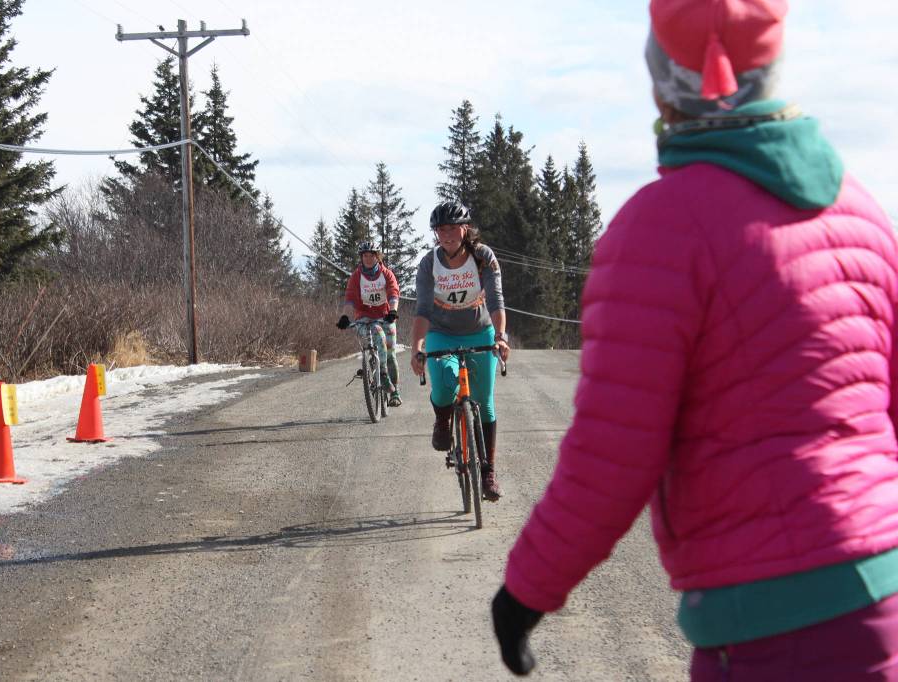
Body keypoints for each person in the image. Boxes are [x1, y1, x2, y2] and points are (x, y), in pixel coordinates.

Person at [492, 1, 898, 679]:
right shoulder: (860, 210)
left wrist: (525, 593)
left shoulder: (659, 229)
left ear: (662, 77)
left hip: (771, 627)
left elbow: (612, 456)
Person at [410, 201, 510, 501]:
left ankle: (488, 472)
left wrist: (501, 337)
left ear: (465, 229)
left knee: (486, 403)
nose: (447, 235)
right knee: (442, 388)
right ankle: (443, 420)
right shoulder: (429, 263)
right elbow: (423, 309)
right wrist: (417, 347)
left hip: (480, 330)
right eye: (441, 229)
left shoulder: (483, 257)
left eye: (453, 228)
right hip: (441, 333)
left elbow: (496, 301)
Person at [336, 241, 403, 407]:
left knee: (390, 355)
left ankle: (394, 391)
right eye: (364, 255)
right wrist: (345, 316)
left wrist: (393, 311)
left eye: (371, 255)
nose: (367, 258)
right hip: (364, 317)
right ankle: (374, 370)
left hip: (385, 316)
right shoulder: (356, 277)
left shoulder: (386, 274)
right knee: (370, 340)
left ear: (377, 257)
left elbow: (393, 293)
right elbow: (350, 298)